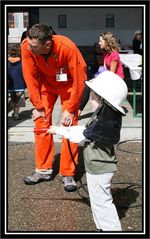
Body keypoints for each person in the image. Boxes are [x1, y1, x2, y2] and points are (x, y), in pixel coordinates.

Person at [47, 70, 128, 231]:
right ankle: (102, 228)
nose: (90, 101)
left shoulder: (105, 123)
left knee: (102, 202)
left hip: (99, 168)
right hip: (97, 167)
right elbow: (85, 130)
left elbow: (81, 137)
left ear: (105, 101)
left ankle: (112, 230)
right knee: (97, 200)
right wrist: (63, 130)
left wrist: (60, 131)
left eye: (93, 98)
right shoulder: (104, 118)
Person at [21, 23, 87, 192]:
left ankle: (68, 173)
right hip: (46, 86)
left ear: (47, 44)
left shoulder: (67, 47)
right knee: (41, 124)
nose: (30, 48)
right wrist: (37, 105)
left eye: (34, 46)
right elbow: (29, 76)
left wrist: (71, 108)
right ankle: (43, 170)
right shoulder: (27, 47)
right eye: (29, 43)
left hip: (68, 86)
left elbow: (80, 79)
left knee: (69, 126)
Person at [8, 44, 26, 120]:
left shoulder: (7, 62)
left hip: (10, 86)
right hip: (20, 85)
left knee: (12, 100)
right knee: (18, 102)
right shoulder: (23, 63)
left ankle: (11, 111)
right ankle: (16, 114)